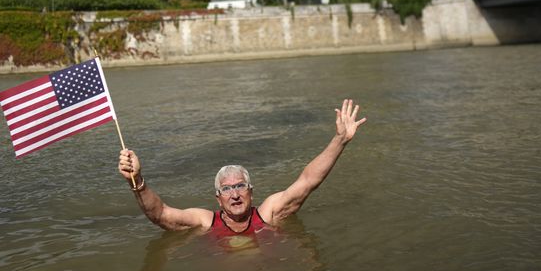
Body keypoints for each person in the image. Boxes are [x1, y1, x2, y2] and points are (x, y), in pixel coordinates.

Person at [117, 98, 367, 235]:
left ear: (251, 191)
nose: (234, 194)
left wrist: (339, 141)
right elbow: (160, 215)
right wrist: (136, 181)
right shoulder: (205, 222)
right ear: (218, 198)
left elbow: (308, 181)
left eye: (240, 186)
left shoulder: (269, 214)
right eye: (227, 189)